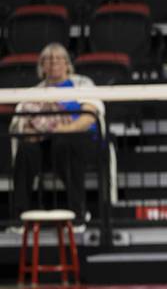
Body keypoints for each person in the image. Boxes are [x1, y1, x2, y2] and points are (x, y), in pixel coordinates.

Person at [8, 43, 104, 230]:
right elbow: (22, 122)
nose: (53, 62)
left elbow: (90, 114)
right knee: (26, 149)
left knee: (64, 143)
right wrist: (34, 133)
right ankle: (20, 217)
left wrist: (64, 129)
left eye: (58, 58)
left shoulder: (82, 83)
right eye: (48, 60)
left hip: (79, 141)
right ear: (41, 67)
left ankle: (78, 214)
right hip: (45, 142)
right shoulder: (34, 92)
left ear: (67, 63)